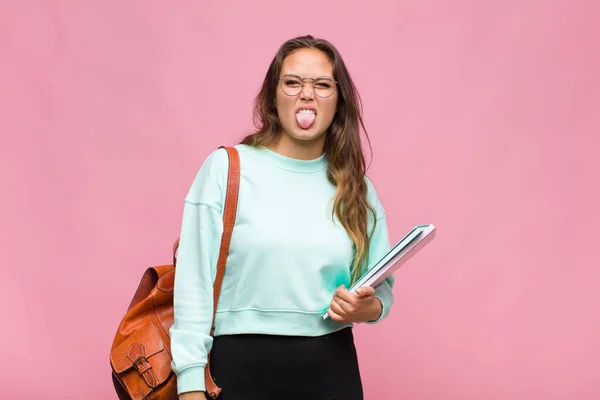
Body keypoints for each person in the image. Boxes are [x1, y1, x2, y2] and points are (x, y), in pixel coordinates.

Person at [170, 34, 395, 400]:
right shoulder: (226, 169)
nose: (307, 94)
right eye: (292, 82)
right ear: (273, 96)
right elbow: (193, 282)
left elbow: (381, 292)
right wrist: (191, 385)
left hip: (331, 369)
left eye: (322, 85)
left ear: (339, 101)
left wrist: (364, 307)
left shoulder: (359, 190)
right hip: (236, 369)